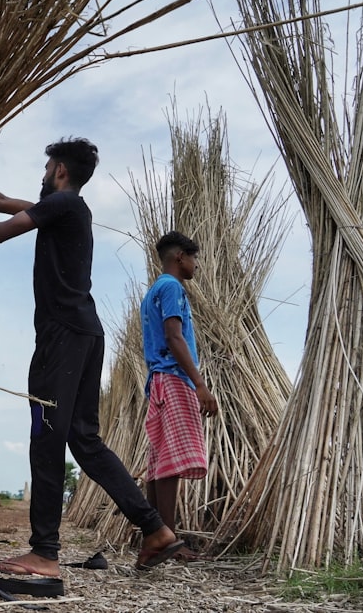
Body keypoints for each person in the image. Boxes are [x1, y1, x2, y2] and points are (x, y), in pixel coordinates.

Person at [0, 137, 183, 577]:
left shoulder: (64, 205)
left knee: (46, 435)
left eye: (46, 168)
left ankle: (44, 553)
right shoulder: (66, 210)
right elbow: (4, 203)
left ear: (60, 170)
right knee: (85, 440)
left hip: (62, 337)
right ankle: (156, 529)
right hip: (86, 332)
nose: (42, 175)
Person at [139, 231, 218, 561]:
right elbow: (175, 336)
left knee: (158, 464)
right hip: (173, 378)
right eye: (195, 258)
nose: (197, 265)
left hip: (159, 380)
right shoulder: (172, 288)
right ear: (180, 257)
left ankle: (157, 536)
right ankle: (167, 541)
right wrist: (199, 384)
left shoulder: (153, 291)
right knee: (169, 463)